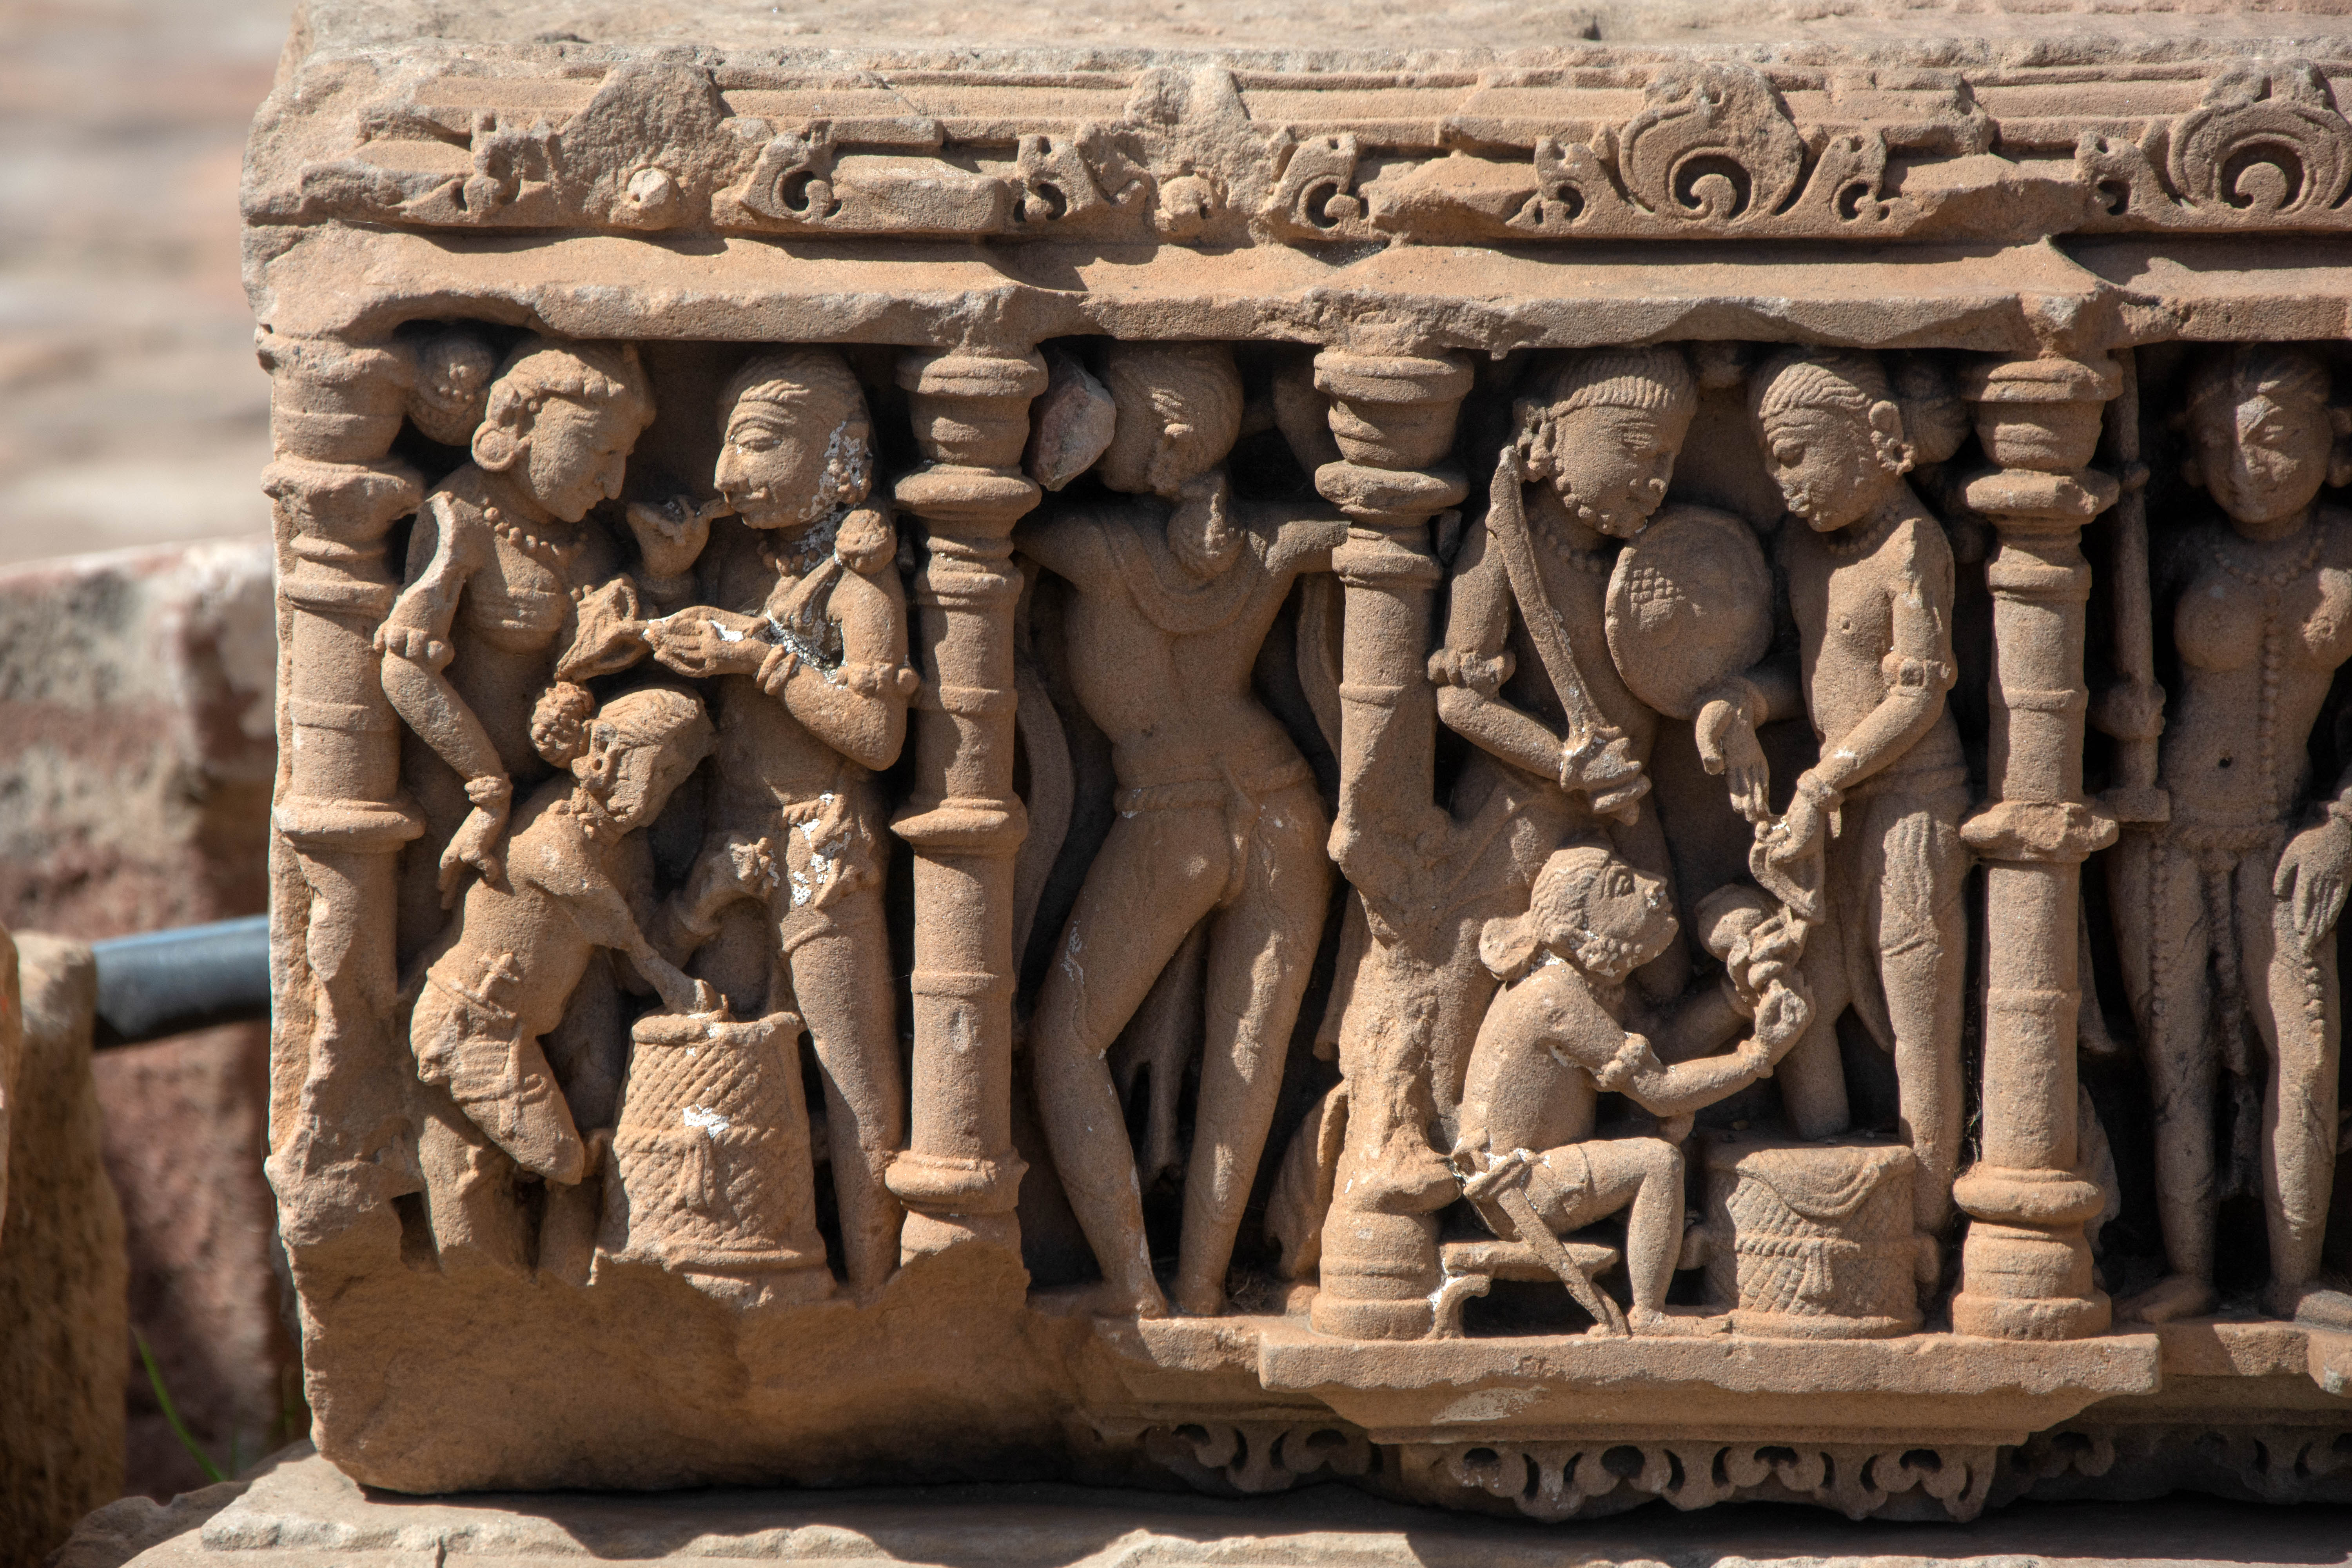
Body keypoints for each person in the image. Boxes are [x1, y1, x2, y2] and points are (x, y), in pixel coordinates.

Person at [1019, 340, 1347, 1317]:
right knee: (1245, 1065)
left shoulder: (1095, 549)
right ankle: (1201, 1285)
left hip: (1175, 819)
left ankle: (1134, 1287)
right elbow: (1366, 523)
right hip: (1285, 809)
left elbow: (990, 501)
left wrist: (1074, 427)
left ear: (1158, 438)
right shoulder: (1269, 542)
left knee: (1066, 1046)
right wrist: (1263, 449)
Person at [641, 348, 920, 1298]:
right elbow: (699, 656)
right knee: (725, 1047)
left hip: (820, 846)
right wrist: (674, 587)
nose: (725, 473)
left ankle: (877, 1284)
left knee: (849, 1072)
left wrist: (761, 651)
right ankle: (726, 1261)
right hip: (734, 840)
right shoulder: (738, 560)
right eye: (726, 442)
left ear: (838, 454)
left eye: (757, 442)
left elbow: (877, 734)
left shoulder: (856, 583)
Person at [2111, 343, 2352, 1327]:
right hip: (2166, 832)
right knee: (2175, 1059)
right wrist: (2118, 717)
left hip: (2284, 835)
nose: (2241, 467)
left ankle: (2296, 1276)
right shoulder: (2175, 550)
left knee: (2304, 1051)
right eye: (2217, 445)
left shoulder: (2344, 553)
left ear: (2332, 444)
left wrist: (2342, 823)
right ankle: (2191, 1267)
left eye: (2269, 440)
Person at [1427, 346, 1700, 1122]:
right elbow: (1460, 702)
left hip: (1624, 803)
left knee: (1666, 970)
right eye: (1636, 448)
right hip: (1524, 809)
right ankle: (1446, 1120)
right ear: (1548, 438)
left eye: (1670, 458)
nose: (1656, 476)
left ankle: (1646, 1102)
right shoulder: (1504, 549)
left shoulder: (1638, 566)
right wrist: (1565, 763)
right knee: (1475, 959)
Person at [1744, 347, 1970, 1238]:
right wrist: (1739, 702)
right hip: (1829, 803)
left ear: (1880, 439)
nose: (1781, 478)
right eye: (1769, 458)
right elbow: (1812, 667)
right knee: (1800, 990)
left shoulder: (1911, 544)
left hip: (1911, 799)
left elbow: (1919, 692)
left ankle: (1920, 1228)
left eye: (1797, 453)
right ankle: (1843, 1208)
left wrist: (1821, 783)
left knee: (1920, 1018)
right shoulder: (1802, 547)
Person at [407, 687, 715, 1269]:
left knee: (592, 1112)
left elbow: (628, 969)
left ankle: (566, 1247)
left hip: (521, 1033)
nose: (663, 789)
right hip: (468, 1023)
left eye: (677, 777)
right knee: (563, 1161)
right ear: (605, 755)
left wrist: (706, 901)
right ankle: (449, 1155)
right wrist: (661, 968)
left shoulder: (628, 856)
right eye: (663, 767)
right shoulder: (556, 823)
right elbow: (577, 889)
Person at [1453, 846, 1808, 1335]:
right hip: (1522, 1188)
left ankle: (1672, 1242)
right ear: (1578, 930)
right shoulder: (1555, 997)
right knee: (1657, 1162)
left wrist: (1733, 1002)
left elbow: (1662, 1046)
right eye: (1623, 887)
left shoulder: (1585, 984)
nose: (1653, 884)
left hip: (1542, 1163)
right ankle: (1650, 1312)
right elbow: (1660, 1088)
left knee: (1662, 1129)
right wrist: (1759, 1056)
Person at [378, 336, 668, 931]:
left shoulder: (592, 546)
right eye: (597, 451)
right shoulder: (460, 519)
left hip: (555, 798)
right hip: (458, 800)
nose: (613, 485)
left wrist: (667, 578)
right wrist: (486, 790)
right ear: (517, 428)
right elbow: (404, 667)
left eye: (625, 460)